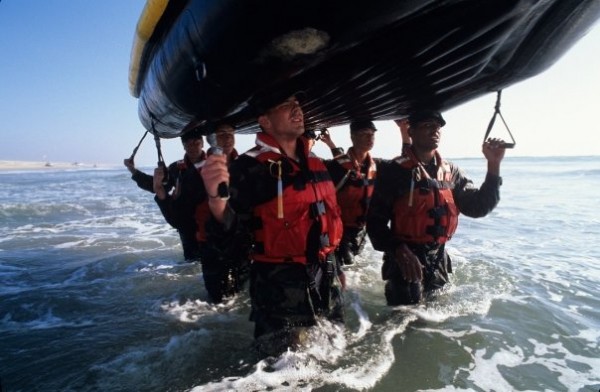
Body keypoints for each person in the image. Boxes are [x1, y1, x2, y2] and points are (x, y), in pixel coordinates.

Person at [200, 94, 345, 354]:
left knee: (334, 358)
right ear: (265, 121)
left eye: (298, 104)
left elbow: (325, 221)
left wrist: (336, 265)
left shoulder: (317, 164)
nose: (297, 109)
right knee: (281, 371)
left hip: (327, 280)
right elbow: (230, 246)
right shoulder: (248, 168)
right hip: (280, 291)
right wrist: (216, 201)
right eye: (285, 105)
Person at [366, 110, 506, 305]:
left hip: (438, 261)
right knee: (402, 321)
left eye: (438, 127)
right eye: (427, 126)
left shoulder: (452, 172)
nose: (435, 130)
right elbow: (374, 223)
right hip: (405, 262)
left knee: (435, 321)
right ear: (411, 131)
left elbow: (478, 207)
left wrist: (493, 165)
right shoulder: (394, 171)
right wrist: (398, 249)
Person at [320, 120, 378, 265]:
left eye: (372, 135)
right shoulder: (335, 167)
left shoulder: (377, 166)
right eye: (365, 134)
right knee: (339, 266)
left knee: (351, 263)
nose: (370, 138)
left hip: (360, 231)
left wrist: (405, 132)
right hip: (339, 230)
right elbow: (341, 161)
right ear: (353, 137)